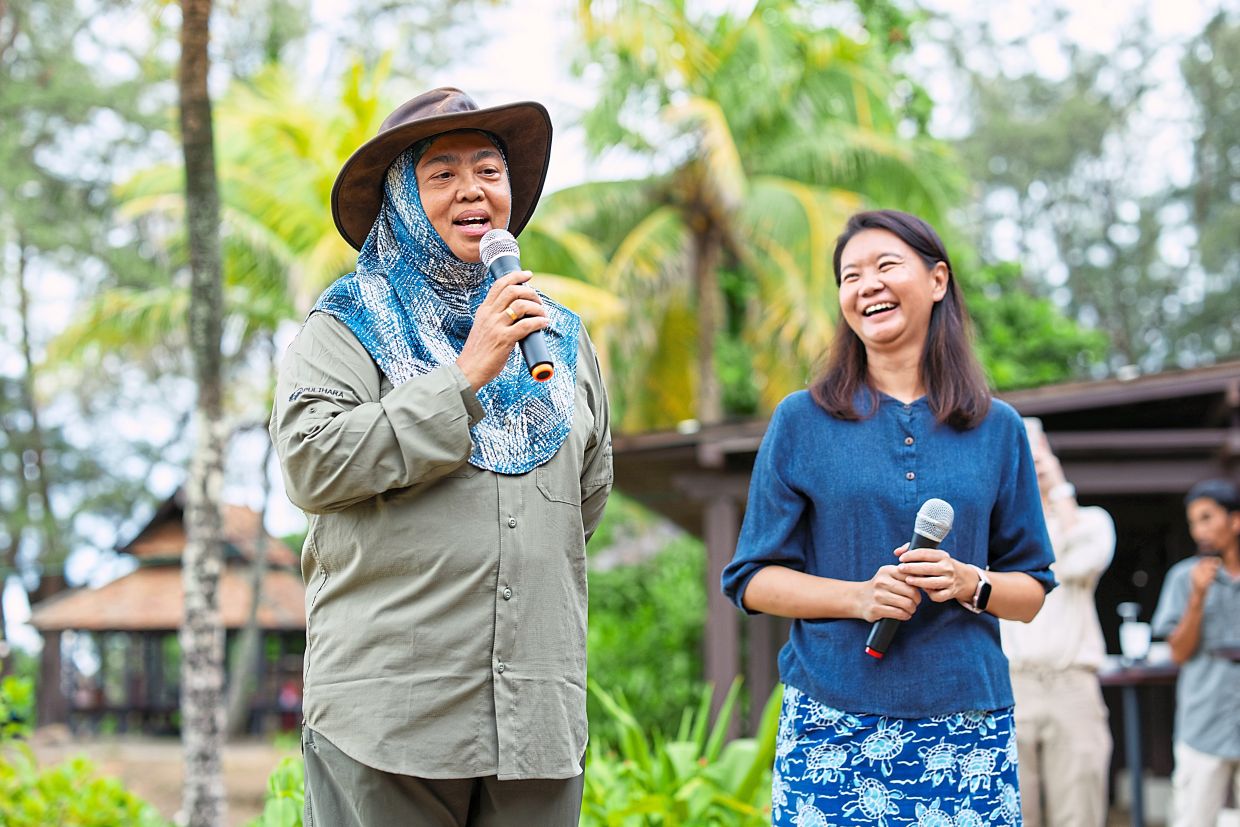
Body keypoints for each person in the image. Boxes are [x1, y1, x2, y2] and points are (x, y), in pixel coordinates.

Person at [269, 87, 613, 827]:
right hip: (390, 716)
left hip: (537, 722)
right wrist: (464, 376)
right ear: (401, 196)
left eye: (489, 170)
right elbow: (310, 462)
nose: (473, 190)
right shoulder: (347, 323)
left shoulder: (563, 335)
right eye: (442, 173)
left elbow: (584, 500)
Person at [721, 209, 1056, 826]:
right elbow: (751, 579)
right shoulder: (801, 421)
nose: (865, 285)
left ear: (937, 280)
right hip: (830, 720)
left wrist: (969, 583)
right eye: (849, 276)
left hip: (966, 726)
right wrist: (860, 597)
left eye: (885, 266)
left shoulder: (998, 429)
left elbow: (1031, 590)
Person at [1000, 418, 1114, 827]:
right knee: (1012, 813)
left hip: (1072, 684)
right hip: (1012, 683)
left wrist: (1058, 488)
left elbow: (1086, 560)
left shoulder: (1091, 520)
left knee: (1079, 812)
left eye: (1039, 456)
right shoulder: (1002, 531)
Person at [1151, 478, 1240, 827]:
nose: (1198, 530)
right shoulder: (1183, 577)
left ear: (1235, 520)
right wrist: (1198, 597)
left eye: (1207, 518)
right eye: (1193, 523)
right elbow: (1179, 653)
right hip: (1203, 722)